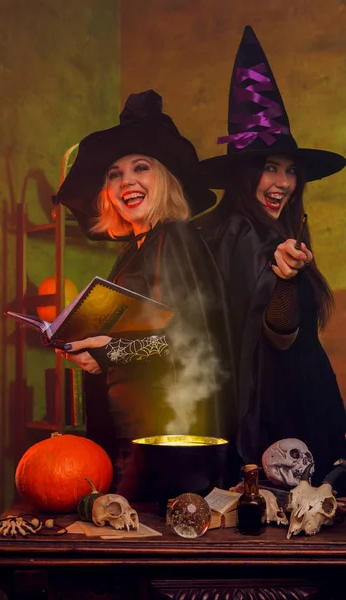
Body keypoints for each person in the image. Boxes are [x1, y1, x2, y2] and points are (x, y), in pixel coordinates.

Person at [53, 90, 237, 499]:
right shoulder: (134, 250)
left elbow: (184, 342)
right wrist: (87, 345)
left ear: (165, 178)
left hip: (167, 437)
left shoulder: (175, 236)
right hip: (131, 432)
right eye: (114, 173)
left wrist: (105, 351)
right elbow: (138, 336)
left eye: (141, 167)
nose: (127, 181)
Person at [197, 26, 346, 487]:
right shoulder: (243, 234)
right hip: (279, 422)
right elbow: (275, 335)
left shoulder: (269, 229)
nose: (282, 182)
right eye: (269, 168)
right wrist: (283, 281)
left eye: (290, 171)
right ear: (244, 173)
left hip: (303, 405)